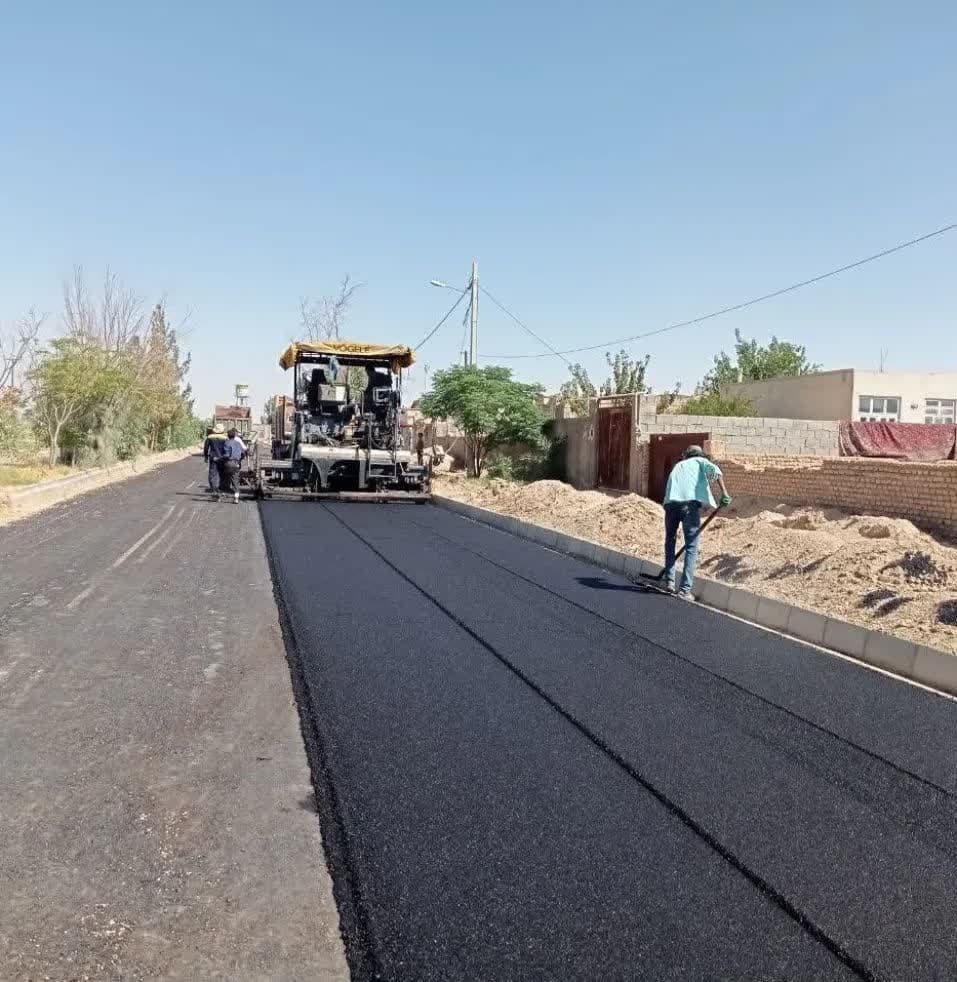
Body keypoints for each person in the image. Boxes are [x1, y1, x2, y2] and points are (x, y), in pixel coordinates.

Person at [662, 445, 731, 600]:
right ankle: (685, 590)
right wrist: (725, 494)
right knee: (691, 547)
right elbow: (717, 472)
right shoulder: (700, 461)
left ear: (686, 455)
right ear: (699, 455)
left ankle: (669, 582)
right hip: (688, 506)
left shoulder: (679, 465)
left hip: (670, 505)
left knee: (670, 542)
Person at [218, 428, 246, 503]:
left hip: (228, 464)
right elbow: (243, 453)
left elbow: (226, 455)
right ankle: (236, 498)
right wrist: (239, 460)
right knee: (235, 481)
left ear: (228, 435)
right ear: (235, 436)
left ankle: (220, 496)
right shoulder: (238, 443)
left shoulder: (226, 443)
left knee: (224, 479)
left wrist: (219, 458)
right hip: (236, 464)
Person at [203, 423, 227, 493]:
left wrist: (205, 457)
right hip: (222, 458)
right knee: (222, 473)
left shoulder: (210, 437)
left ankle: (213, 488)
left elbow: (206, 448)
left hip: (213, 457)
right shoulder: (225, 438)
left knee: (212, 473)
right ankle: (221, 488)